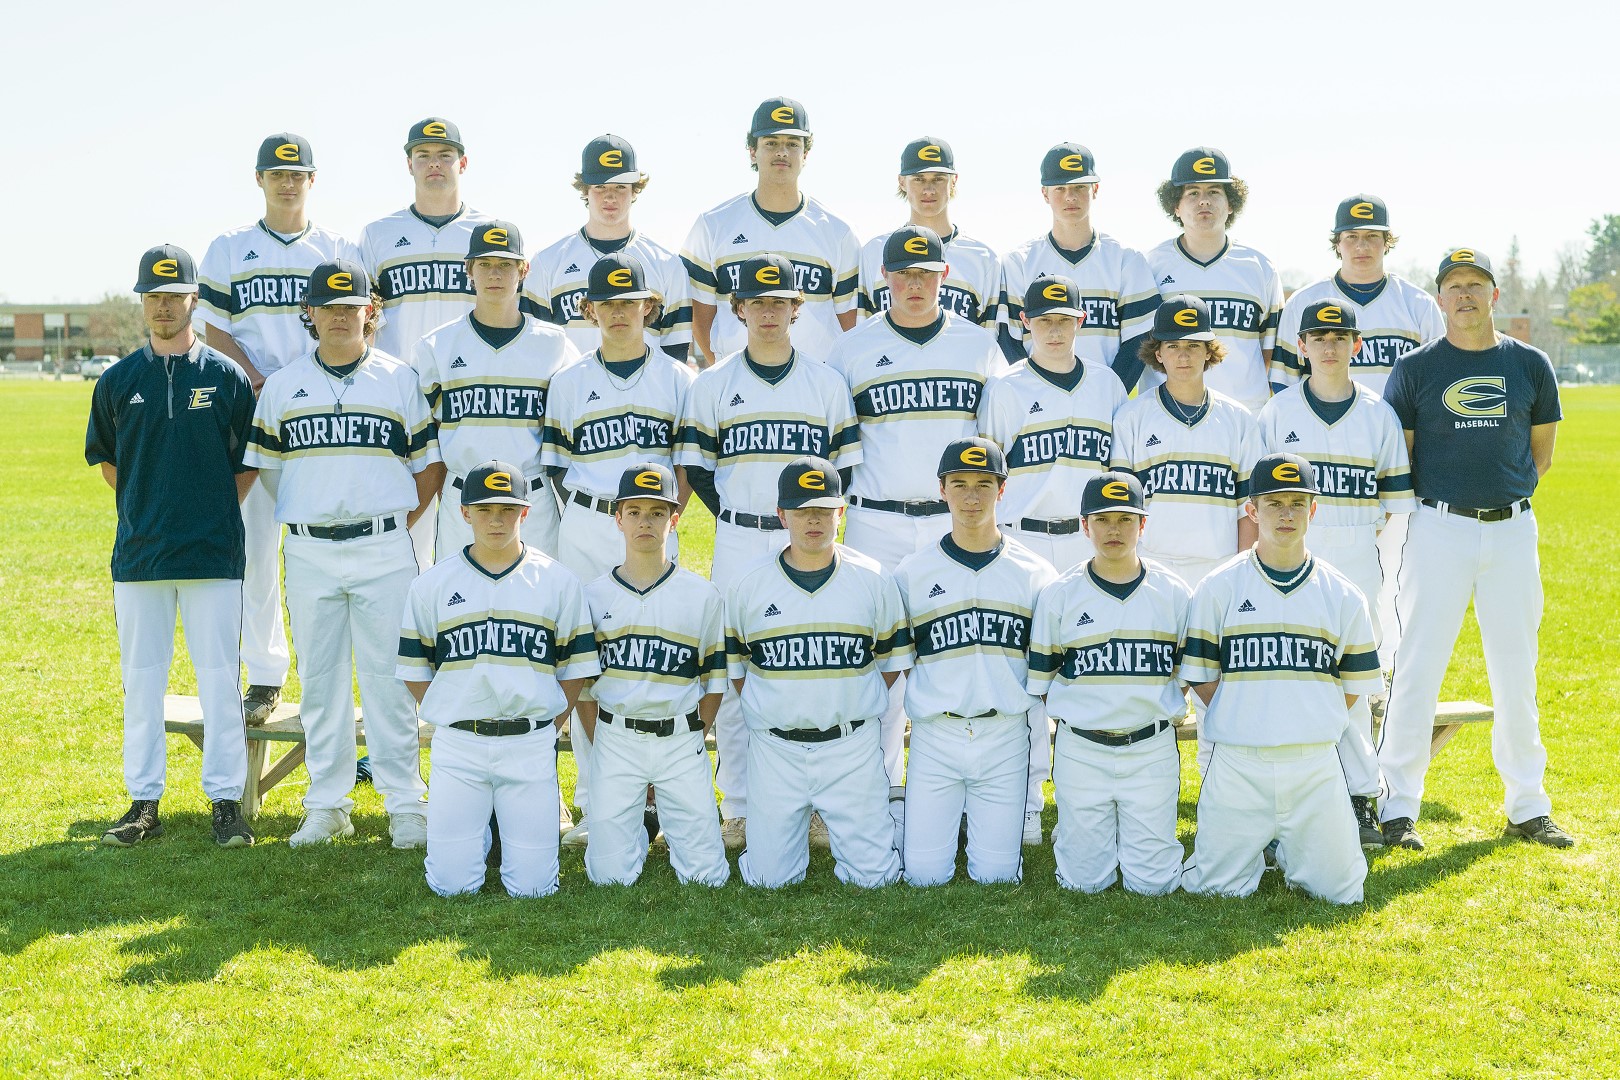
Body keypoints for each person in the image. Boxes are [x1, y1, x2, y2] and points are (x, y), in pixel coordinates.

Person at [1377, 249, 1574, 851]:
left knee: (1516, 670)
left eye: (1476, 284)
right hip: (1439, 527)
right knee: (1418, 667)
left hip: (1512, 529)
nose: (1464, 294)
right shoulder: (1416, 369)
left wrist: (1502, 496)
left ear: (1494, 294)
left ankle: (1527, 805)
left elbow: (1541, 452)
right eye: (1454, 285)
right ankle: (1396, 807)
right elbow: (1403, 455)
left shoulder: (1530, 363)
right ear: (1440, 298)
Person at [245, 260, 442, 848]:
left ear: (369, 310)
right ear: (309, 312)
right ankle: (327, 804)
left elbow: (428, 468)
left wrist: (386, 522)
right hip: (310, 550)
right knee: (321, 682)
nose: (338, 316)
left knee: (390, 681)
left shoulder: (398, 379)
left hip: (384, 546)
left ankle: (405, 802)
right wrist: (320, 507)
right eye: (327, 307)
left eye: (349, 306)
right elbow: (272, 472)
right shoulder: (284, 386)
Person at [674, 252, 862, 848]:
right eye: (757, 302)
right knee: (737, 669)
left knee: (809, 664)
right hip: (740, 534)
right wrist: (741, 513)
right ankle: (739, 806)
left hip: (805, 536)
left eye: (780, 301)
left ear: (797, 308)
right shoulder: (713, 383)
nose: (769, 312)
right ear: (739, 309)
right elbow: (699, 470)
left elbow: (843, 471)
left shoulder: (826, 382)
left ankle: (815, 804)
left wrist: (805, 524)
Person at [826, 223, 1001, 835]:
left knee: (958, 654)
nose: (915, 284)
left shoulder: (978, 346)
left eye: (926, 273)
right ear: (885, 278)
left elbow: (994, 440)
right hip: (876, 518)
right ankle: (877, 795)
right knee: (880, 660)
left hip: (956, 520)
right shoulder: (852, 349)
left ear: (945, 276)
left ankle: (959, 795)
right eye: (903, 273)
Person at [86, 244, 257, 848]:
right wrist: (151, 506)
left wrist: (204, 511)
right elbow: (110, 463)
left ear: (193, 300)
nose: (163, 307)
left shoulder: (226, 376)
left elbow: (246, 464)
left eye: (174, 296)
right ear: (143, 302)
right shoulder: (117, 380)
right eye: (153, 297)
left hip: (212, 553)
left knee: (219, 680)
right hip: (141, 555)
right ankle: (143, 801)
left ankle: (226, 801)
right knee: (142, 682)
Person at [198, 132, 363, 727]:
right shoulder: (229, 247)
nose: (287, 183)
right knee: (257, 547)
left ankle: (345, 678)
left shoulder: (338, 248)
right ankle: (266, 674)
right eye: (277, 174)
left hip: (324, 415)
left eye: (297, 174)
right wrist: (254, 378)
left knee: (335, 545)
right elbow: (213, 326)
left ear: (312, 180)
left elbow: (359, 323)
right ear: (260, 179)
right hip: (251, 409)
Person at [1180, 453, 1383, 904]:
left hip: (1314, 765)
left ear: (1313, 510)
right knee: (1214, 890)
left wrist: (1309, 718)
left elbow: (1353, 687)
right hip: (1239, 763)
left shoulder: (1343, 594)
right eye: (1274, 503)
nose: (1286, 514)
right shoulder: (1218, 587)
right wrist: (1246, 714)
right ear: (1252, 510)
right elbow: (1202, 678)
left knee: (1342, 892)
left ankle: (1293, 847)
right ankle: (1262, 846)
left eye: (1297, 503)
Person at [541, 254, 693, 845]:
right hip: (588, 522)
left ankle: (658, 799)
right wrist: (594, 517)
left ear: (648, 307)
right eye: (607, 303)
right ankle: (595, 799)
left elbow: (687, 465)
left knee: (654, 657)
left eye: (630, 302)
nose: (619, 312)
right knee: (588, 661)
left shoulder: (678, 378)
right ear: (589, 309)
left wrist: (664, 522)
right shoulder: (568, 381)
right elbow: (557, 467)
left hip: (653, 525)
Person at [398, 461, 599, 897]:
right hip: (459, 745)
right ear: (464, 512)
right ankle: (480, 835)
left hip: (529, 743)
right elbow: (415, 670)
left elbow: (575, 670)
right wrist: (454, 708)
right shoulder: (432, 585)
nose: (496, 520)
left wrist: (546, 725)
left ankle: (498, 834)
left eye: (507, 509)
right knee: (451, 886)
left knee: (534, 888)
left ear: (525, 512)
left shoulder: (558, 582)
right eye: (484, 509)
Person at [1257, 300, 1414, 847]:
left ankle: (1360, 795)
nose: (1329, 347)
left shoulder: (1377, 414)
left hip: (1354, 558)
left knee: (1353, 683)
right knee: (1286, 674)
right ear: (1301, 346)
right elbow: (1256, 501)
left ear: (1356, 345)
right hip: (1288, 559)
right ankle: (1287, 800)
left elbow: (1395, 504)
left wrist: (1368, 554)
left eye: (1339, 337)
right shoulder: (1277, 413)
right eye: (1318, 338)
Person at [1270, 195, 1445, 674]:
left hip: (1394, 455)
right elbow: (1283, 387)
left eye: (1372, 237)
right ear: (1337, 242)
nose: (1362, 246)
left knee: (1389, 582)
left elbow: (1435, 392)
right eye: (1352, 237)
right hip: (1316, 462)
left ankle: (1380, 681)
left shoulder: (1416, 305)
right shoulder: (1304, 302)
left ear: (1388, 241)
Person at [726, 457, 911, 888]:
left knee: (875, 879)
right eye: (802, 510)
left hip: (851, 747)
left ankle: (893, 812)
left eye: (824, 510)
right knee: (769, 880)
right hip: (776, 748)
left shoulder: (873, 579)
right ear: (781, 514)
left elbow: (889, 663)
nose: (813, 520)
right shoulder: (748, 584)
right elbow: (739, 669)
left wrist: (846, 701)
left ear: (840, 512)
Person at [893, 438, 1057, 885]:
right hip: (936, 735)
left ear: (1002, 490)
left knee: (998, 875)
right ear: (941, 489)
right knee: (924, 875)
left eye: (984, 484)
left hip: (1005, 734)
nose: (971, 497)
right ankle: (910, 814)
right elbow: (902, 659)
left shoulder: (1035, 573)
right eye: (959, 484)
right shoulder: (912, 572)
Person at [1112, 295, 1260, 774]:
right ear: (1157, 351)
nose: (1182, 355)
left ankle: (1223, 792)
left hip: (1217, 570)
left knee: (1222, 690)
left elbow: (1247, 509)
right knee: (1155, 692)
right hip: (1155, 571)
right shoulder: (1133, 417)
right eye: (1172, 345)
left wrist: (1240, 572)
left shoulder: (1238, 419)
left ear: (1209, 351)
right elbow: (1123, 512)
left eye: (1193, 345)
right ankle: (1149, 793)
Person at [1028, 472, 1190, 894]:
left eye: (1125, 519)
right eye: (1102, 519)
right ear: (1084, 525)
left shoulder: (1174, 593)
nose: (1113, 530)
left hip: (1150, 748)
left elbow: (1184, 675)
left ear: (1143, 524)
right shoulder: (1060, 595)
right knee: (1083, 883)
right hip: (1083, 749)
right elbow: (1045, 680)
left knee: (1154, 886)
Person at [577, 463, 730, 887]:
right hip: (616, 736)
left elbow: (714, 682)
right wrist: (604, 743)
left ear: (674, 520)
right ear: (618, 519)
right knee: (607, 878)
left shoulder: (702, 596)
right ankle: (639, 825)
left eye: (657, 512)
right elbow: (584, 692)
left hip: (680, 737)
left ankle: (656, 819)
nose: (645, 522)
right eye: (635, 512)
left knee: (707, 876)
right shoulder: (593, 597)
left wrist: (692, 736)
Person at [360, 117, 490, 566]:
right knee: (405, 528)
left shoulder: (488, 233)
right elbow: (365, 320)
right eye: (424, 156)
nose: (435, 164)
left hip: (469, 395)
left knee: (470, 524)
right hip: (402, 393)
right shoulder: (378, 234)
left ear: (463, 163)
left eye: (445, 155)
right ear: (409, 164)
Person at [413, 220, 580, 560]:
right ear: (469, 270)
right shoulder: (436, 346)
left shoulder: (555, 344)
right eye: (485, 264)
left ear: (524, 270)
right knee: (459, 594)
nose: (494, 274)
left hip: (531, 497)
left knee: (538, 594)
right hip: (464, 498)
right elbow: (428, 438)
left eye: (505, 264)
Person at [681, 96, 859, 364]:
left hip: (816, 378)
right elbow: (698, 316)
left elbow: (850, 323)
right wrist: (723, 370)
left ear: (805, 154)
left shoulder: (837, 231)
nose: (782, 152)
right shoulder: (713, 225)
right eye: (771, 143)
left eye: (792, 144)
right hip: (736, 376)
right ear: (752, 151)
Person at [980, 273, 1128, 572]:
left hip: (1089, 538)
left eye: (1064, 320)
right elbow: (986, 475)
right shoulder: (1004, 387)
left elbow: (1120, 468)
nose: (1055, 330)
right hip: (1023, 536)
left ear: (1080, 320)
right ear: (1025, 320)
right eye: (1044, 320)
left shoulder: (1107, 384)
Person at [997, 143, 1158, 388]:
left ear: (1095, 189)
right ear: (1044, 194)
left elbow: (1139, 340)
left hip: (1106, 400)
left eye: (1079, 187)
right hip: (1038, 400)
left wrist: (1106, 394)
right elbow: (1010, 340)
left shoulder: (1126, 259)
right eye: (1060, 188)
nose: (1070, 197)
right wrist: (1035, 391)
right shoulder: (1019, 261)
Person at [524, 135, 693, 361]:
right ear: (585, 189)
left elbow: (676, 352)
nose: (610, 196)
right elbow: (534, 348)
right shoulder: (547, 263)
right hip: (571, 382)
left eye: (620, 187)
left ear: (634, 190)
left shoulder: (667, 264)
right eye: (600, 187)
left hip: (644, 385)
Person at [1144, 147, 1283, 414]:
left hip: (1245, 414)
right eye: (1192, 193)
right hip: (1167, 413)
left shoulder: (1259, 266)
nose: (1204, 201)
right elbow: (1144, 345)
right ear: (1175, 205)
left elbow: (1269, 349)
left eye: (1214, 192)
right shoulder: (1151, 265)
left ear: (1231, 203)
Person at [857, 137, 999, 330]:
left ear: (953, 181)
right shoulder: (874, 252)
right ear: (902, 182)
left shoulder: (983, 259)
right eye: (918, 179)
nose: (929, 190)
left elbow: (989, 340)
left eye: (938, 179)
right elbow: (862, 333)